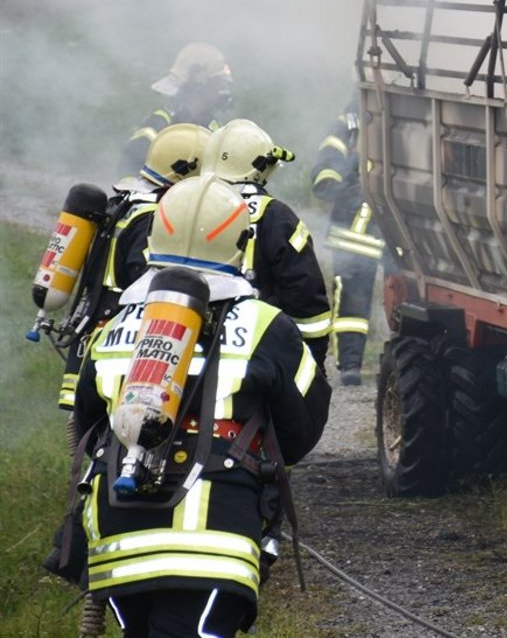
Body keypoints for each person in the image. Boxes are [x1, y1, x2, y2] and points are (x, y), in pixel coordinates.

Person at [69, 174, 331, 636]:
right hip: (216, 539)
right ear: (238, 243)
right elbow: (302, 429)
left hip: (119, 539)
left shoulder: (113, 328)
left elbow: (88, 427)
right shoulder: (266, 326)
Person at [56, 122, 212, 412]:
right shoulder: (155, 217)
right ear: (187, 173)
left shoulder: (125, 201)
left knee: (90, 439)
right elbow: (151, 282)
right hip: (121, 345)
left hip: (93, 337)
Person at [203, 118, 333, 366]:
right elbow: (305, 295)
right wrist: (311, 362)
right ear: (261, 167)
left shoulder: (180, 203)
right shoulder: (274, 216)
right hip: (256, 350)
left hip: (182, 343)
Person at [311, 95, 388, 386]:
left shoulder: (406, 112)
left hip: (395, 226)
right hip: (355, 229)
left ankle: (405, 357)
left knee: (410, 294)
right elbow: (328, 159)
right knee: (352, 297)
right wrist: (334, 184)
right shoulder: (350, 121)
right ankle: (351, 365)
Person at [116, 42, 233, 178]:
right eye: (219, 84)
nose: (223, 92)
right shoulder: (157, 126)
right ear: (199, 83)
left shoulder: (214, 129)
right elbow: (128, 175)